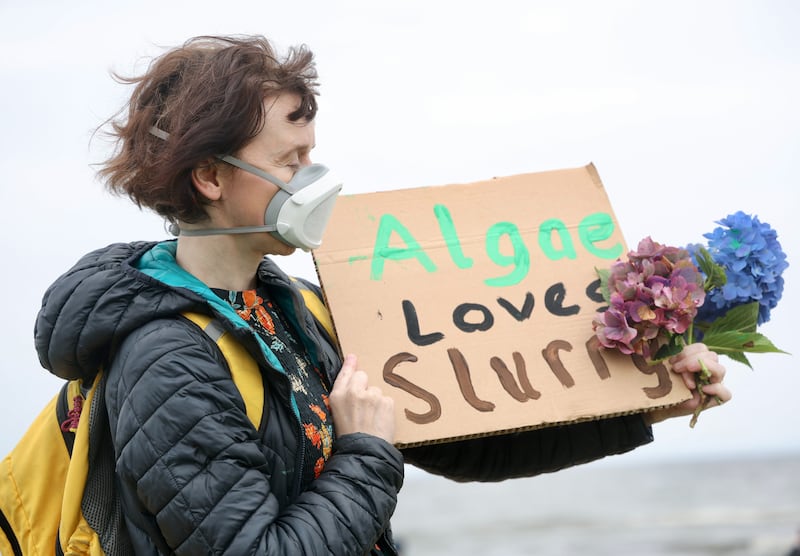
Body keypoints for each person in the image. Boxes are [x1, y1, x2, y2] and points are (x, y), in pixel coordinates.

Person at [34, 35, 731, 555]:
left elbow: (460, 442)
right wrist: (365, 448)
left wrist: (647, 402)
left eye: (311, 154)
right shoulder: (167, 360)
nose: (315, 179)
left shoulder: (297, 310)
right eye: (290, 162)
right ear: (211, 177)